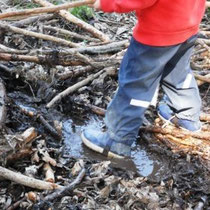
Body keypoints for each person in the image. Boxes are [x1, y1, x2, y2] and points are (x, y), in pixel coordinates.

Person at [81, 0, 206, 158]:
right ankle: (186, 116)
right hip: (188, 23)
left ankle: (117, 141)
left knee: (135, 85)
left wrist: (108, 2)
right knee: (178, 73)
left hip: (157, 33)